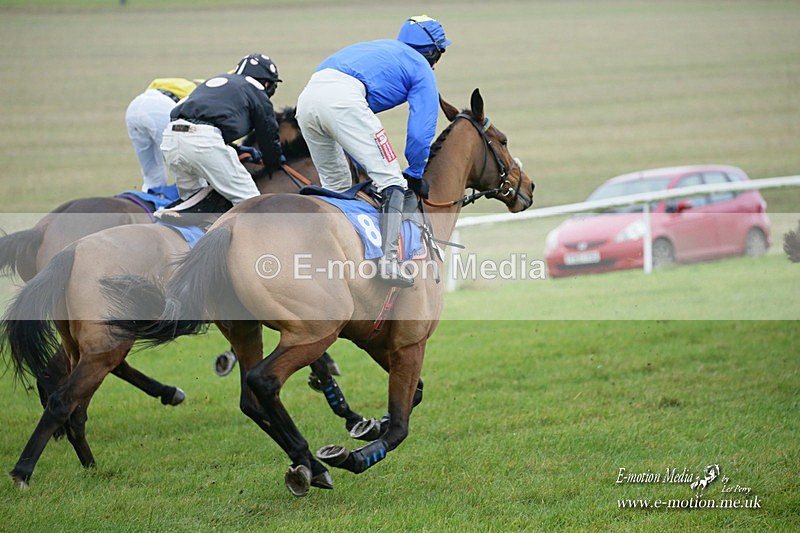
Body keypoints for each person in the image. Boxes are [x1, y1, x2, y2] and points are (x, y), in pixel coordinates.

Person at [296, 15, 452, 288]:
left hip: (307, 99)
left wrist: (371, 163)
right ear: (433, 52)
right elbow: (420, 131)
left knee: (339, 187)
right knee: (392, 180)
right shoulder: (421, 68)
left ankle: (333, 257)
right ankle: (389, 262)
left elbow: (355, 136)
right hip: (343, 100)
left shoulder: (382, 48)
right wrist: (414, 173)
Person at [158, 53, 284, 216]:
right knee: (250, 202)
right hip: (203, 143)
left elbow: (188, 116)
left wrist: (230, 147)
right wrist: (273, 162)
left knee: (196, 206)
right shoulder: (256, 91)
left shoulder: (215, 83)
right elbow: (268, 134)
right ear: (267, 82)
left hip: (171, 139)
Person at [125, 78, 200, 192]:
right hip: (162, 109)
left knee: (152, 177)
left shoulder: (199, 84)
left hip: (134, 108)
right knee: (190, 176)